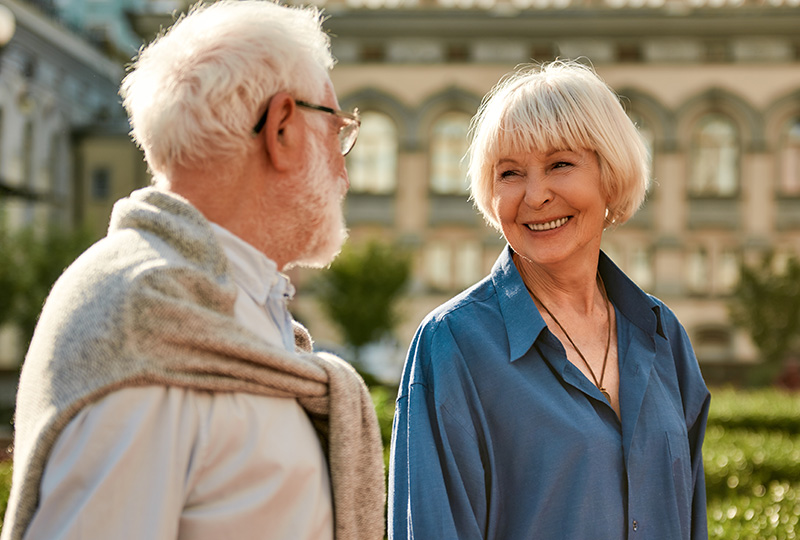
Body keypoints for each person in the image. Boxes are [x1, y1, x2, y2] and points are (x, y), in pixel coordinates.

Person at [1, 2, 385, 539]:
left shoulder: (214, 306)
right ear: (281, 128)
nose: (344, 170)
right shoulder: (148, 312)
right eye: (335, 130)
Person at [389, 60, 710, 540]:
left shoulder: (664, 336)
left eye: (560, 164)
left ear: (610, 174)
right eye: (510, 173)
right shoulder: (452, 344)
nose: (535, 195)